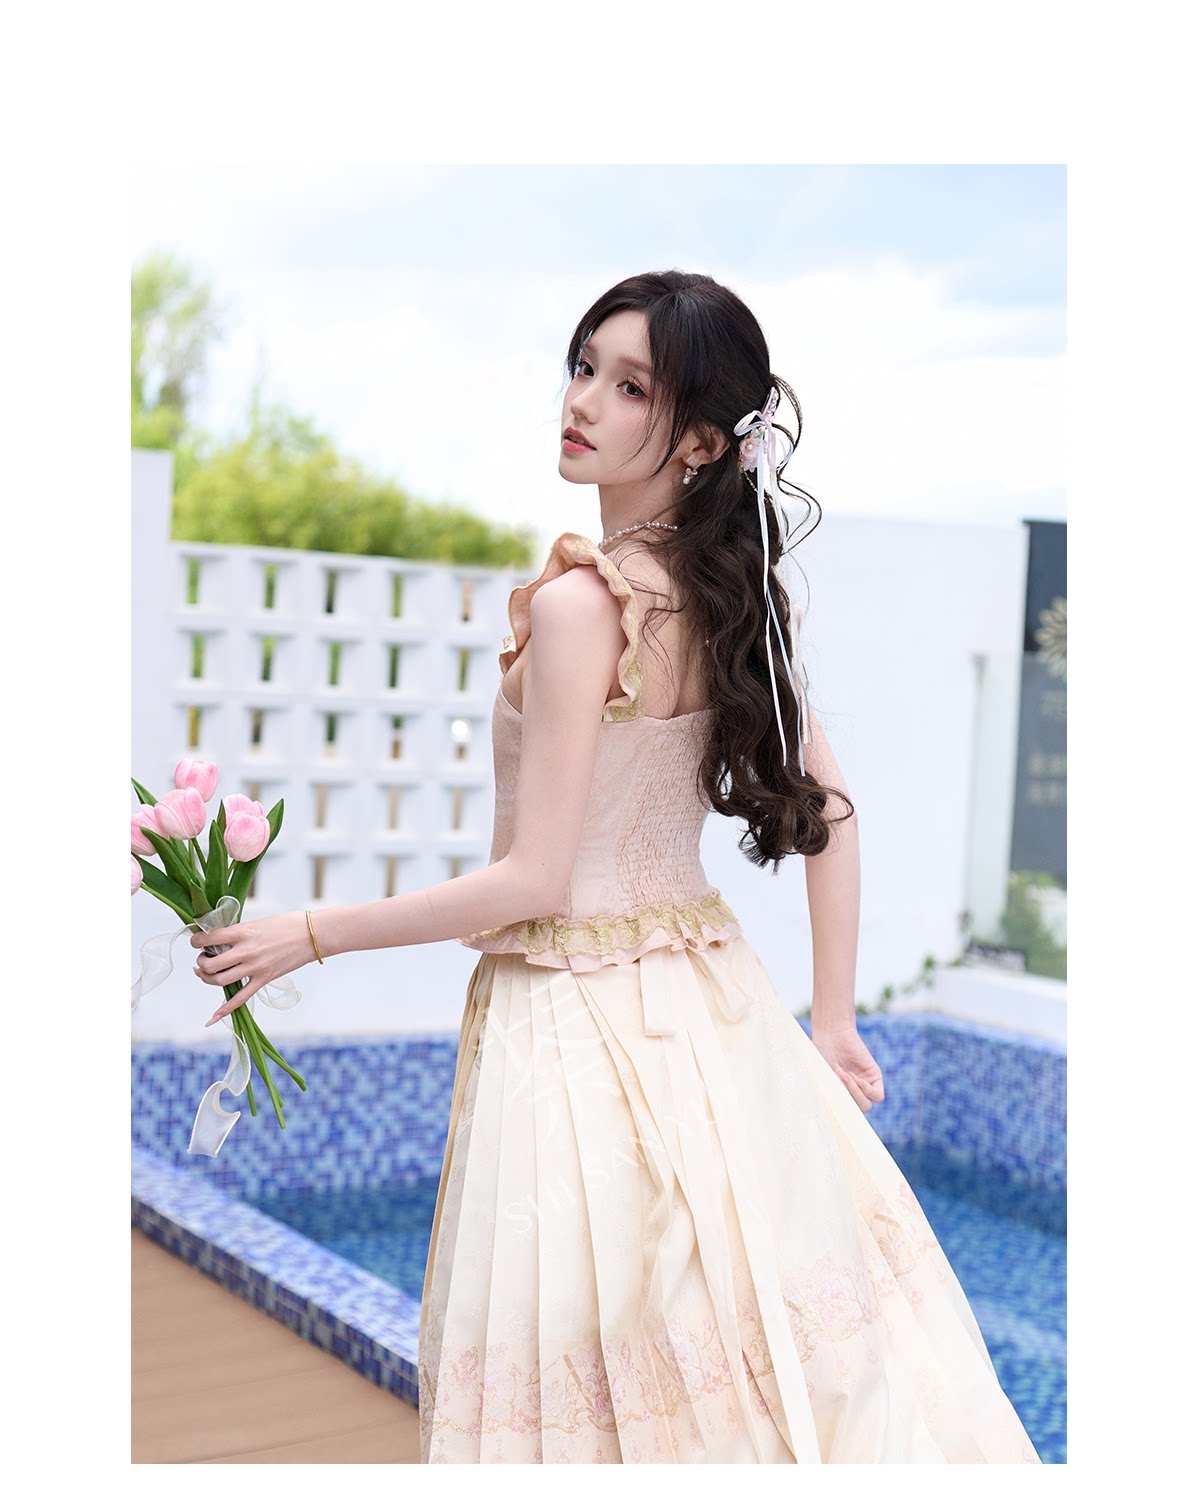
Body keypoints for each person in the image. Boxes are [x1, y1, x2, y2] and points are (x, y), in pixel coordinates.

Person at [188, 270, 1042, 1465]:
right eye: (585, 366)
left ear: (703, 441)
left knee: (598, 1393)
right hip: (714, 1010)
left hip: (572, 1024)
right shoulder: (732, 600)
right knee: (742, 1362)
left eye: (630, 386)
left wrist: (308, 933)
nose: (583, 400)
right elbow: (833, 811)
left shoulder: (584, 608)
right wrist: (834, 1018)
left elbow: (534, 881)